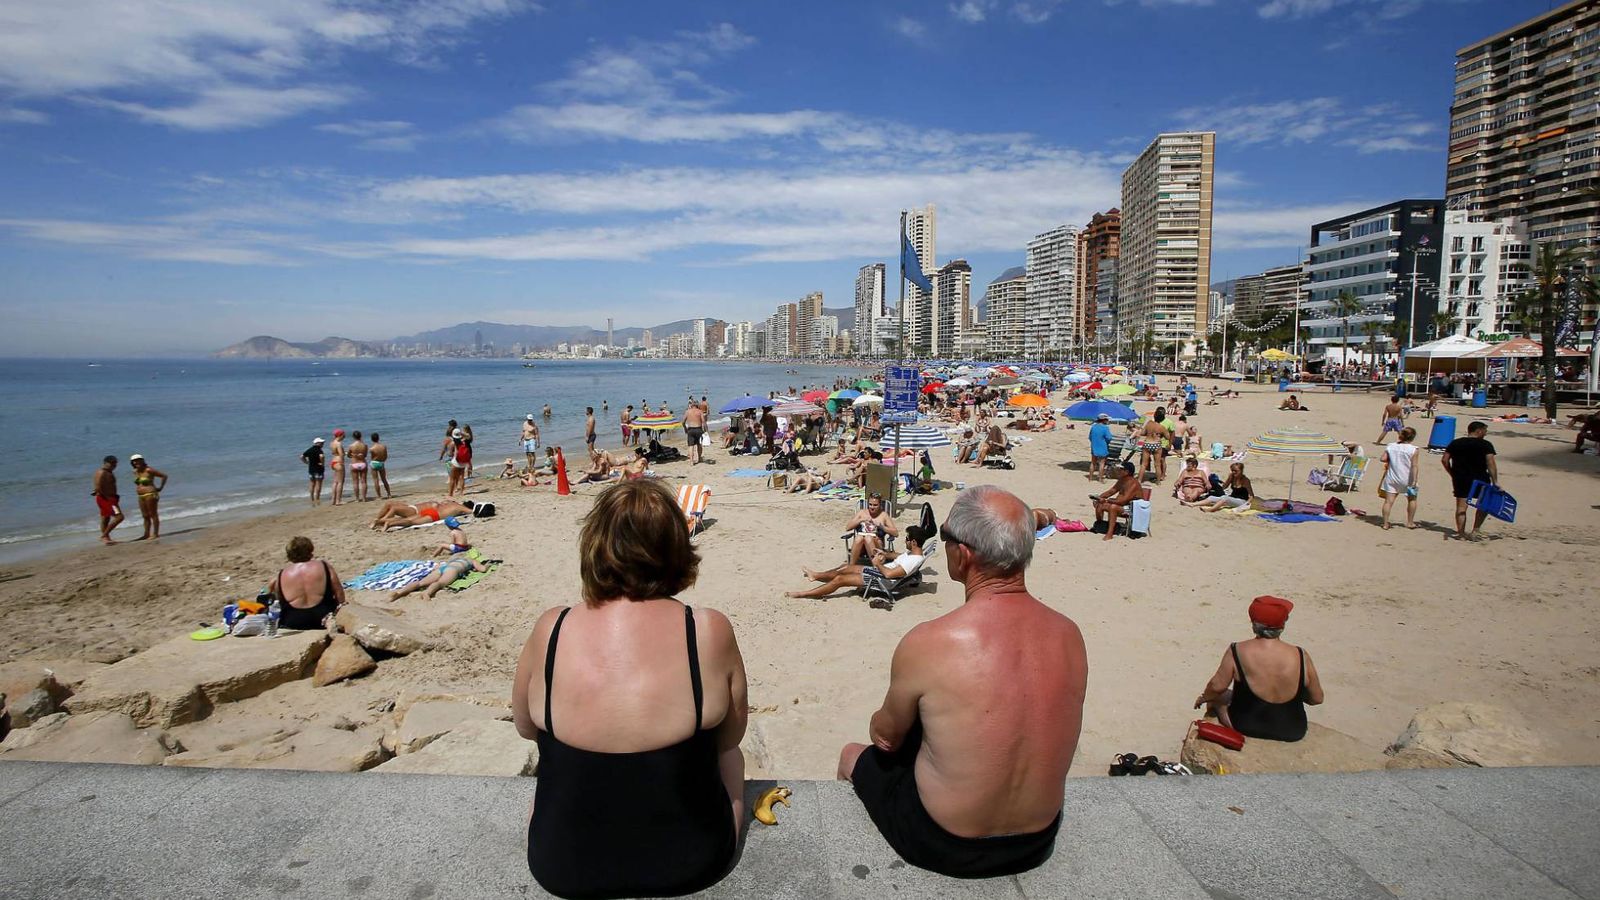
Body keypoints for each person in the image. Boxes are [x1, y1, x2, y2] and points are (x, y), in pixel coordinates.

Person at [513, 479, 747, 898]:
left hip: (561, 864)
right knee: (731, 756)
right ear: (677, 548)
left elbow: (526, 728)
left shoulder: (553, 626)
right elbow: (730, 738)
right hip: (693, 862)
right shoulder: (707, 629)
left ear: (595, 546)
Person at [837, 486, 1085, 877]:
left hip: (946, 842)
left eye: (946, 537)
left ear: (963, 554)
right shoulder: (1069, 634)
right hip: (1038, 839)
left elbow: (885, 739)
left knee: (854, 755)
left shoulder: (932, 641)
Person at [1193, 596, 1324, 741]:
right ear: (1282, 625)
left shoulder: (1238, 650)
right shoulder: (1300, 655)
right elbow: (1317, 698)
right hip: (1293, 730)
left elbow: (1217, 686)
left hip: (1246, 726)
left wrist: (1204, 698)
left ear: (1253, 623)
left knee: (1216, 698)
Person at [786, 536, 927, 599]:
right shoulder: (912, 554)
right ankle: (816, 575)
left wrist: (877, 563)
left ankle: (804, 594)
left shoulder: (913, 561)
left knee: (840, 579)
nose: (905, 540)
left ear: (913, 542)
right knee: (845, 567)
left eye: (907, 539)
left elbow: (890, 575)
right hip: (878, 572)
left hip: (880, 578)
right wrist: (884, 553)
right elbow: (897, 556)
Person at [268, 536, 347, 630]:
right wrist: (341, 610)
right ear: (310, 551)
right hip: (323, 616)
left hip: (294, 621)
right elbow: (339, 592)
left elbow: (279, 601)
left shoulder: (282, 574)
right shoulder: (324, 566)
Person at [1442, 421, 1499, 540]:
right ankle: (1475, 530)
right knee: (1483, 505)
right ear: (1479, 431)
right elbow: (1490, 463)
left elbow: (1445, 460)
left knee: (1461, 508)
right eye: (1485, 431)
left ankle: (1461, 533)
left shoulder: (1455, 443)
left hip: (1460, 479)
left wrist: (1452, 473)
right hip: (1481, 478)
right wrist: (1495, 481)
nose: (1486, 433)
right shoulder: (1486, 444)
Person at [391, 554, 488, 601]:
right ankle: (427, 593)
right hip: (453, 570)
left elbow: (437, 566)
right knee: (440, 583)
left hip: (443, 568)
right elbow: (482, 569)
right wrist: (487, 565)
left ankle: (399, 593)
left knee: (421, 582)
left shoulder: (454, 560)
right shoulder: (472, 560)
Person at [1378, 426, 1419, 530]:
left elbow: (1383, 458)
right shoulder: (1413, 449)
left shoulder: (1391, 446)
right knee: (1412, 499)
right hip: (1407, 478)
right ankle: (1410, 522)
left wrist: (1392, 460)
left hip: (1392, 477)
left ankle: (1385, 523)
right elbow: (1414, 465)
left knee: (1388, 501)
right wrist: (1414, 480)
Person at [1092, 461, 1143, 540]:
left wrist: (1107, 500)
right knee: (1100, 505)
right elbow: (1111, 491)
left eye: (1120, 469)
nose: (1118, 470)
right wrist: (1098, 498)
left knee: (1113, 507)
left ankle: (1110, 534)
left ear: (1126, 472)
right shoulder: (1122, 480)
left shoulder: (1133, 484)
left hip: (1131, 509)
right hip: (1121, 505)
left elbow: (1123, 501)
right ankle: (1100, 526)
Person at [844, 494, 898, 565]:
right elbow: (848, 527)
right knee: (858, 538)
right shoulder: (862, 513)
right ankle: (851, 566)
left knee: (868, 538)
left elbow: (895, 533)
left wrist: (882, 527)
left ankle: (876, 567)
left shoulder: (883, 515)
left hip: (877, 545)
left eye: (875, 505)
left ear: (880, 505)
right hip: (861, 546)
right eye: (870, 504)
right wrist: (861, 520)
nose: (872, 507)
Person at [128, 454, 168, 541]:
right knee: (145, 515)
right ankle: (146, 534)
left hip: (150, 494)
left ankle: (155, 533)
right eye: (134, 461)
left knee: (153, 514)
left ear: (142, 460)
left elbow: (164, 476)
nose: (136, 462)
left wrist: (160, 487)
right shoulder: (135, 471)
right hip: (141, 495)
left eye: (138, 460)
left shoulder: (149, 470)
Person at [370, 499, 474, 530]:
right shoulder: (459, 507)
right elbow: (471, 512)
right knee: (411, 522)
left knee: (411, 518)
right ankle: (389, 524)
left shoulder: (451, 503)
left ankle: (379, 521)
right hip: (434, 516)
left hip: (429, 511)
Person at [92, 455, 124, 545]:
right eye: (112, 463)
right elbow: (98, 486)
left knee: (105, 518)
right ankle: (104, 536)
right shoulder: (101, 472)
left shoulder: (108, 472)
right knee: (119, 517)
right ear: (105, 463)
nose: (114, 465)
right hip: (106, 498)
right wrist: (108, 498)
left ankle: (107, 539)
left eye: (115, 463)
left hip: (109, 498)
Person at [1136, 408, 1169, 482]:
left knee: (1144, 464)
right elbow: (1168, 437)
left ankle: (1139, 480)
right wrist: (1160, 435)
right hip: (1156, 444)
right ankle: (1158, 481)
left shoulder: (1149, 423)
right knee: (1157, 464)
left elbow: (1143, 433)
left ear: (1154, 416)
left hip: (1147, 443)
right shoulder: (1162, 427)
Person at [301, 437, 326, 507]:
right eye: (322, 443)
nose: (323, 444)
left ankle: (312, 498)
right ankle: (317, 498)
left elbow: (301, 456)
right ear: (318, 443)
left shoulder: (309, 450)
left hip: (311, 469)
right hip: (318, 469)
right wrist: (322, 463)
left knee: (312, 484)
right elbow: (322, 456)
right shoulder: (319, 450)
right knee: (318, 484)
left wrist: (306, 462)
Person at [1087, 413, 1112, 481]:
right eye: (1106, 419)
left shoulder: (1093, 427)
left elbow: (1090, 437)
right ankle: (1100, 478)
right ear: (1103, 420)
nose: (1107, 421)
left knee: (1093, 463)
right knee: (1102, 463)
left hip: (1094, 446)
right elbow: (1109, 438)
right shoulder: (1105, 428)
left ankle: (1090, 477)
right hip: (1103, 446)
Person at [447, 428, 470, 497]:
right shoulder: (464, 441)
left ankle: (450, 494)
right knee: (462, 477)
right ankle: (461, 492)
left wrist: (453, 452)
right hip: (463, 463)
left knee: (452, 479)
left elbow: (450, 454)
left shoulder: (452, 443)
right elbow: (468, 436)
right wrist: (461, 433)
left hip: (456, 463)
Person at [348, 430, 369, 503]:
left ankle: (357, 498)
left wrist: (354, 455)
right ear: (360, 436)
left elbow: (348, 455)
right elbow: (365, 455)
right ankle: (364, 498)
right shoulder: (365, 445)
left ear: (353, 437)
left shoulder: (351, 446)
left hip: (354, 464)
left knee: (355, 482)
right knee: (364, 482)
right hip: (363, 463)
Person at [684, 399, 707, 465]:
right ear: (697, 405)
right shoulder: (700, 412)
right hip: (698, 429)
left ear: (691, 405)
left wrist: (685, 428)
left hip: (690, 430)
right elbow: (703, 422)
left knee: (691, 446)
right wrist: (705, 430)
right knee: (699, 444)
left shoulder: (687, 412)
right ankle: (699, 458)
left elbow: (683, 422)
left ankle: (691, 461)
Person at [369, 433, 390, 499]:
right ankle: (389, 493)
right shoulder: (383, 446)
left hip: (374, 463)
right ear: (378, 438)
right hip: (381, 463)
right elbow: (386, 456)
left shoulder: (371, 449)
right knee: (384, 479)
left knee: (376, 480)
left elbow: (372, 458)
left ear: (372, 439)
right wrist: (382, 461)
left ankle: (379, 496)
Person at [329, 429, 346, 506]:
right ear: (340, 435)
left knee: (335, 481)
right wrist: (342, 462)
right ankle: (338, 500)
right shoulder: (338, 443)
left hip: (333, 462)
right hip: (339, 462)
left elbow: (335, 453)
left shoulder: (332, 443)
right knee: (340, 482)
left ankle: (333, 500)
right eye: (343, 435)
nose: (344, 436)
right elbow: (341, 454)